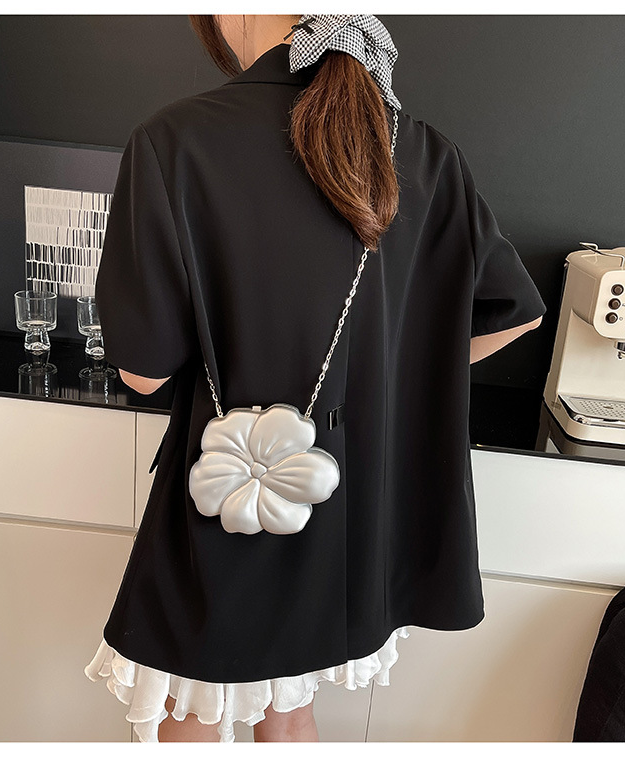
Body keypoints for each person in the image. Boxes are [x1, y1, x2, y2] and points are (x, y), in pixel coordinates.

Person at [84, 13, 547, 743]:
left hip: (227, 495)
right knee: (290, 711)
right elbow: (514, 313)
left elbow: (142, 374)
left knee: (191, 709)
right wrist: (398, 363)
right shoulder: (419, 149)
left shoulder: (174, 141)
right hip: (355, 509)